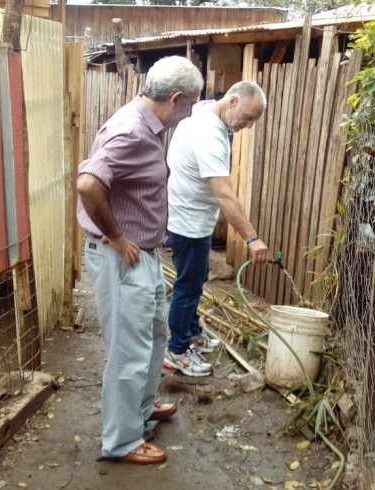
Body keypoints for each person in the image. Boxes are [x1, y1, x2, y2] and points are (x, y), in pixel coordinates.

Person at [75, 56, 203, 465]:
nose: (189, 114)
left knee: (153, 338)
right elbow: (88, 183)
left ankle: (142, 411)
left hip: (143, 254)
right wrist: (115, 235)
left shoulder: (150, 124)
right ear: (177, 99)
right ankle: (122, 441)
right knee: (129, 351)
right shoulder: (131, 131)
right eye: (190, 105)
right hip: (122, 259)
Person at [163, 81, 269, 377]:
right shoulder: (209, 134)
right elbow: (224, 194)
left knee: (195, 281)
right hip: (189, 223)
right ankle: (177, 350)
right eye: (248, 117)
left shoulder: (203, 113)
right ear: (232, 101)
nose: (248, 126)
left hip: (191, 217)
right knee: (187, 287)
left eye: (253, 121)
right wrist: (253, 238)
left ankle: (193, 332)